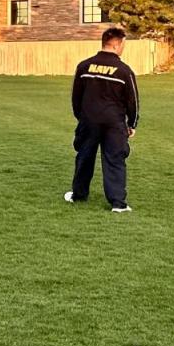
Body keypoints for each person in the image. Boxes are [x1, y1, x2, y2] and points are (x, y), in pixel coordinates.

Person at [65, 27, 138, 213]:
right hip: (114, 123)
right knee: (114, 159)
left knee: (84, 157)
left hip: (89, 120)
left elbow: (76, 96)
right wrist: (132, 124)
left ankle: (79, 195)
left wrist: (81, 117)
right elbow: (133, 101)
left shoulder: (84, 66)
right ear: (118, 44)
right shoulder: (124, 71)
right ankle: (118, 203)